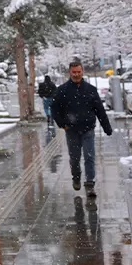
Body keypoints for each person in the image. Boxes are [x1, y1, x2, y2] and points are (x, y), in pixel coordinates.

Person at [51, 59, 113, 197]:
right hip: (71, 130)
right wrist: (63, 124)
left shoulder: (90, 90)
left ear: (82, 72)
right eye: (74, 72)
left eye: (79, 72)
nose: (76, 74)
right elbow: (55, 109)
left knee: (89, 157)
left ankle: (90, 183)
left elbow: (99, 110)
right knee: (74, 158)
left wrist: (106, 127)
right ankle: (76, 177)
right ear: (70, 72)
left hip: (88, 129)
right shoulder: (62, 91)